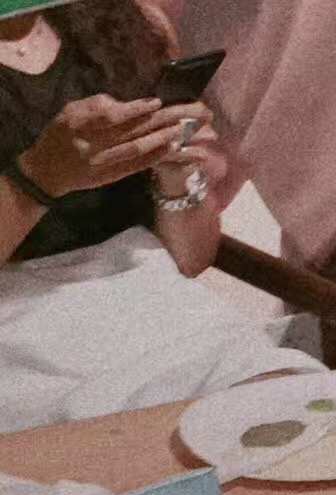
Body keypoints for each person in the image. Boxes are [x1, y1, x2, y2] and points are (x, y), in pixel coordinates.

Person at [0, 0, 319, 433]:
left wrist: (176, 167)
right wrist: (38, 178)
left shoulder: (127, 22)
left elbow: (189, 257)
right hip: (25, 340)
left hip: (160, 311)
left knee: (295, 412)